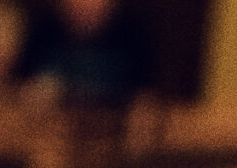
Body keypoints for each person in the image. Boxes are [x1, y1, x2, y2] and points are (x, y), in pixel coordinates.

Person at [10, 0, 154, 105]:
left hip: (114, 136)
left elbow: (147, 96)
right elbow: (18, 91)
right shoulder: (40, 33)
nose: (84, 4)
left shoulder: (134, 35)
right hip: (49, 136)